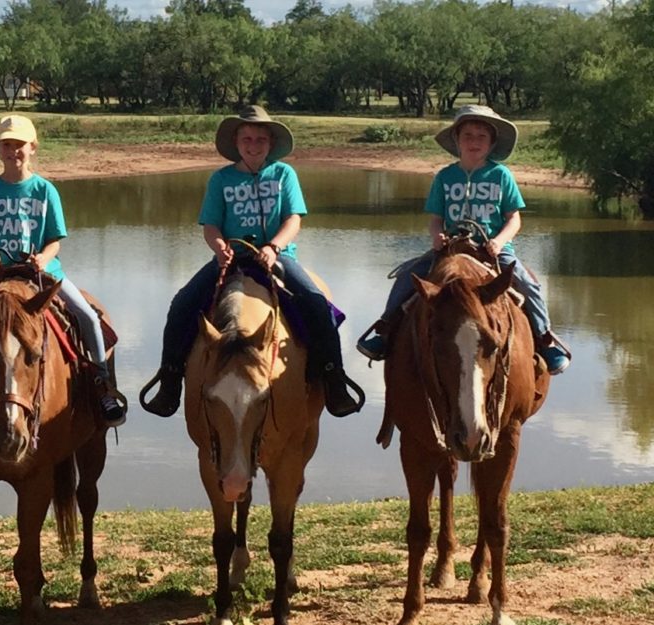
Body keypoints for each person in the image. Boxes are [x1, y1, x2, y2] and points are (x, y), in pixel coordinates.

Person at [141, 105, 363, 419]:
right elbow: (210, 225)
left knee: (315, 302)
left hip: (277, 257)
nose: (253, 144)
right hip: (232, 258)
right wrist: (219, 247)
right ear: (237, 142)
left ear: (270, 143)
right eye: (247, 138)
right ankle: (170, 379)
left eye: (260, 139)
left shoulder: (284, 174)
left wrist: (274, 247)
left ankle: (333, 377)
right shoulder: (221, 179)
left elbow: (293, 219)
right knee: (182, 303)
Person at [0, 114, 127, 427]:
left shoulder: (45, 191)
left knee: (86, 316)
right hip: (0, 275)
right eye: (7, 144)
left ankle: (102, 384)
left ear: (33, 148)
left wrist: (43, 259)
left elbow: (55, 241)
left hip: (43, 273)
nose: (13, 150)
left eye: (19, 144)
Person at [355, 105, 570, 374]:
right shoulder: (445, 176)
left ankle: (545, 341)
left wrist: (499, 242)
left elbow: (514, 218)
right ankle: (385, 332)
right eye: (468, 135)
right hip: (451, 250)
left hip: (491, 251)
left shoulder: (501, 175)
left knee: (528, 285)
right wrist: (437, 237)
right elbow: (435, 218)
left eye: (482, 136)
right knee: (407, 276)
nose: (474, 142)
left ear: (492, 143)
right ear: (457, 140)